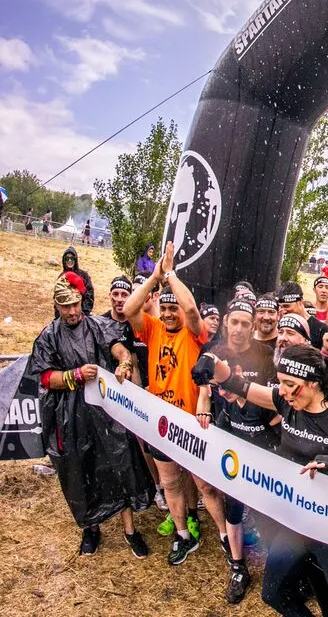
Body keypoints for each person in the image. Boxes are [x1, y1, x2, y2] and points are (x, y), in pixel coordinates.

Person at [207, 345, 328, 617]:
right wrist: (211, 362)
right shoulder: (284, 402)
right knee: (274, 593)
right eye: (280, 383)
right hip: (295, 522)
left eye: (290, 384)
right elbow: (237, 384)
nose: (283, 391)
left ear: (313, 383)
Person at [31, 274, 152, 557]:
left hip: (104, 411)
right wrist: (74, 375)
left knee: (119, 463)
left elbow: (118, 347)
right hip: (70, 415)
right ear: (56, 305)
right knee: (80, 469)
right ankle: (91, 528)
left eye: (75, 304)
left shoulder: (98, 326)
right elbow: (46, 377)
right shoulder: (49, 336)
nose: (72, 311)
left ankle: (130, 530)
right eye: (65, 306)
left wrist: (124, 362)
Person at [122, 242, 226, 566]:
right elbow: (129, 309)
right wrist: (154, 278)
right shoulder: (153, 329)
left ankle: (226, 537)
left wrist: (171, 275)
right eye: (164, 308)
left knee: (205, 486)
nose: (168, 313)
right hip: (161, 421)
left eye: (173, 308)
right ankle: (183, 536)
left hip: (191, 421)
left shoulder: (194, 333)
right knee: (169, 482)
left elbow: (192, 310)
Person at [197, 295, 278, 603]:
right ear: (226, 323)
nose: (240, 329)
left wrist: (246, 395)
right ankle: (238, 566)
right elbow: (204, 388)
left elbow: (275, 400)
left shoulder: (265, 354)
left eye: (246, 323)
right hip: (229, 436)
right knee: (233, 505)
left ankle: (275, 565)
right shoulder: (214, 350)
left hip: (261, 441)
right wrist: (204, 406)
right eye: (235, 322)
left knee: (266, 507)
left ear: (253, 325)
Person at [60, 246, 95, 314]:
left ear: (75, 259)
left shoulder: (84, 275)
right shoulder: (62, 277)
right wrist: (60, 316)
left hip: (82, 313)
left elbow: (89, 294)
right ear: (64, 260)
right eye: (67, 258)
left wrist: (84, 312)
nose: (69, 260)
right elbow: (57, 299)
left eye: (72, 258)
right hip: (66, 314)